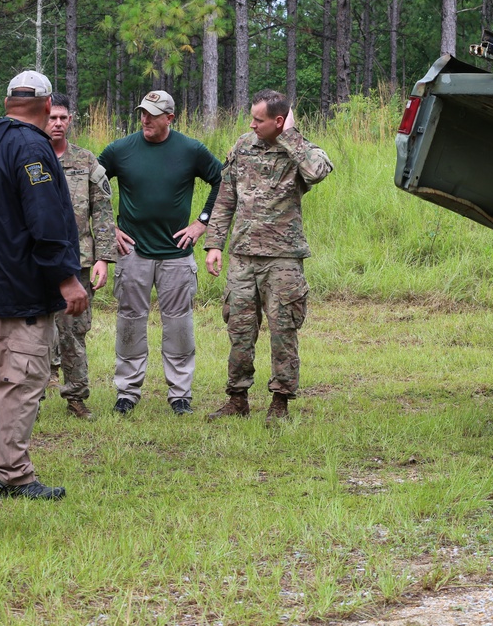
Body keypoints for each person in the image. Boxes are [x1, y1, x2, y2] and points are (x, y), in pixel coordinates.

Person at [0, 70, 88, 500]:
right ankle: (14, 475)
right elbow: (46, 221)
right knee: (21, 380)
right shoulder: (34, 147)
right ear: (48, 105)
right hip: (24, 289)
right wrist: (67, 279)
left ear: (10, 100)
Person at [205, 89, 333, 424]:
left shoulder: (300, 150)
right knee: (240, 329)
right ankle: (237, 399)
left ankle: (280, 403)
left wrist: (290, 136)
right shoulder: (242, 146)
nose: (252, 124)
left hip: (283, 259)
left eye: (259, 119)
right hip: (244, 256)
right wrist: (214, 244)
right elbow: (225, 198)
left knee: (283, 331)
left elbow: (318, 171)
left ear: (279, 121)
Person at [98, 90, 222, 416]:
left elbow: (223, 181)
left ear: (170, 117)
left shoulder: (191, 150)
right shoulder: (120, 150)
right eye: (142, 112)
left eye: (153, 114)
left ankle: (180, 394)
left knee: (179, 325)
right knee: (129, 323)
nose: (145, 119)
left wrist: (201, 223)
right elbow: (89, 184)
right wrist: (108, 227)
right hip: (133, 253)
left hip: (177, 255)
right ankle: (127, 392)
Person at [44, 92, 118, 420]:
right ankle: (32, 397)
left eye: (63, 118)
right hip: (38, 262)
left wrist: (103, 257)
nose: (57, 123)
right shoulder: (31, 157)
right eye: (51, 117)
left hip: (79, 262)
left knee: (74, 330)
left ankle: (76, 395)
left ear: (70, 120)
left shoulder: (87, 161)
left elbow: (102, 212)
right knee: (35, 330)